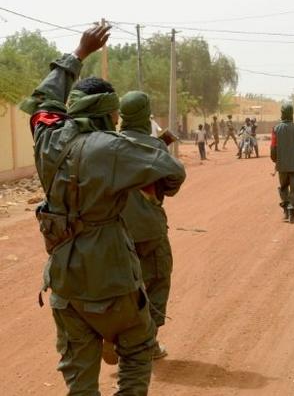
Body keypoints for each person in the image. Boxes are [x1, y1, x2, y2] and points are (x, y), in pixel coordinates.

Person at [19, 24, 186, 395]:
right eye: (113, 117)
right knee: (139, 348)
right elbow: (173, 171)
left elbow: (44, 99)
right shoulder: (113, 148)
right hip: (111, 276)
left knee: (78, 376)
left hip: (64, 279)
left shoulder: (46, 135)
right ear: (109, 115)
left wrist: (79, 53)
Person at [119, 91, 181, 360]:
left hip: (115, 230)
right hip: (149, 229)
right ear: (145, 117)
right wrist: (160, 192)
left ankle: (120, 339)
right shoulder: (154, 147)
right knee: (156, 280)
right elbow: (176, 176)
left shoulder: (107, 145)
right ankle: (147, 343)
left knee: (121, 284)